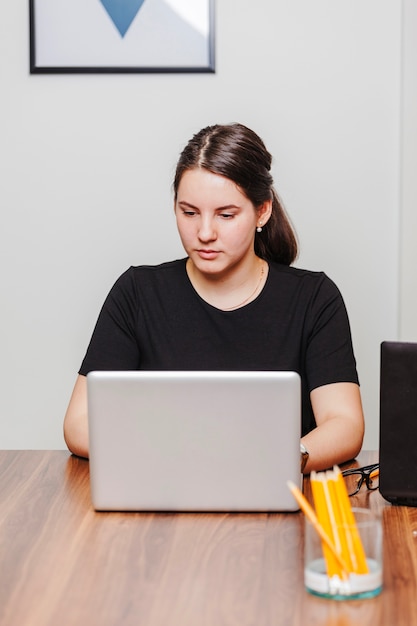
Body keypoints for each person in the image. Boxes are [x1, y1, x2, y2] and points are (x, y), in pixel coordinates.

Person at [64, 123, 364, 471]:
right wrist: (176, 458)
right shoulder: (137, 293)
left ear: (262, 211)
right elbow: (78, 424)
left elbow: (345, 424)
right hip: (161, 498)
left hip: (274, 499)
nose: (204, 233)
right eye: (189, 213)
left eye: (226, 215)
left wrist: (273, 461)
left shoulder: (314, 299)